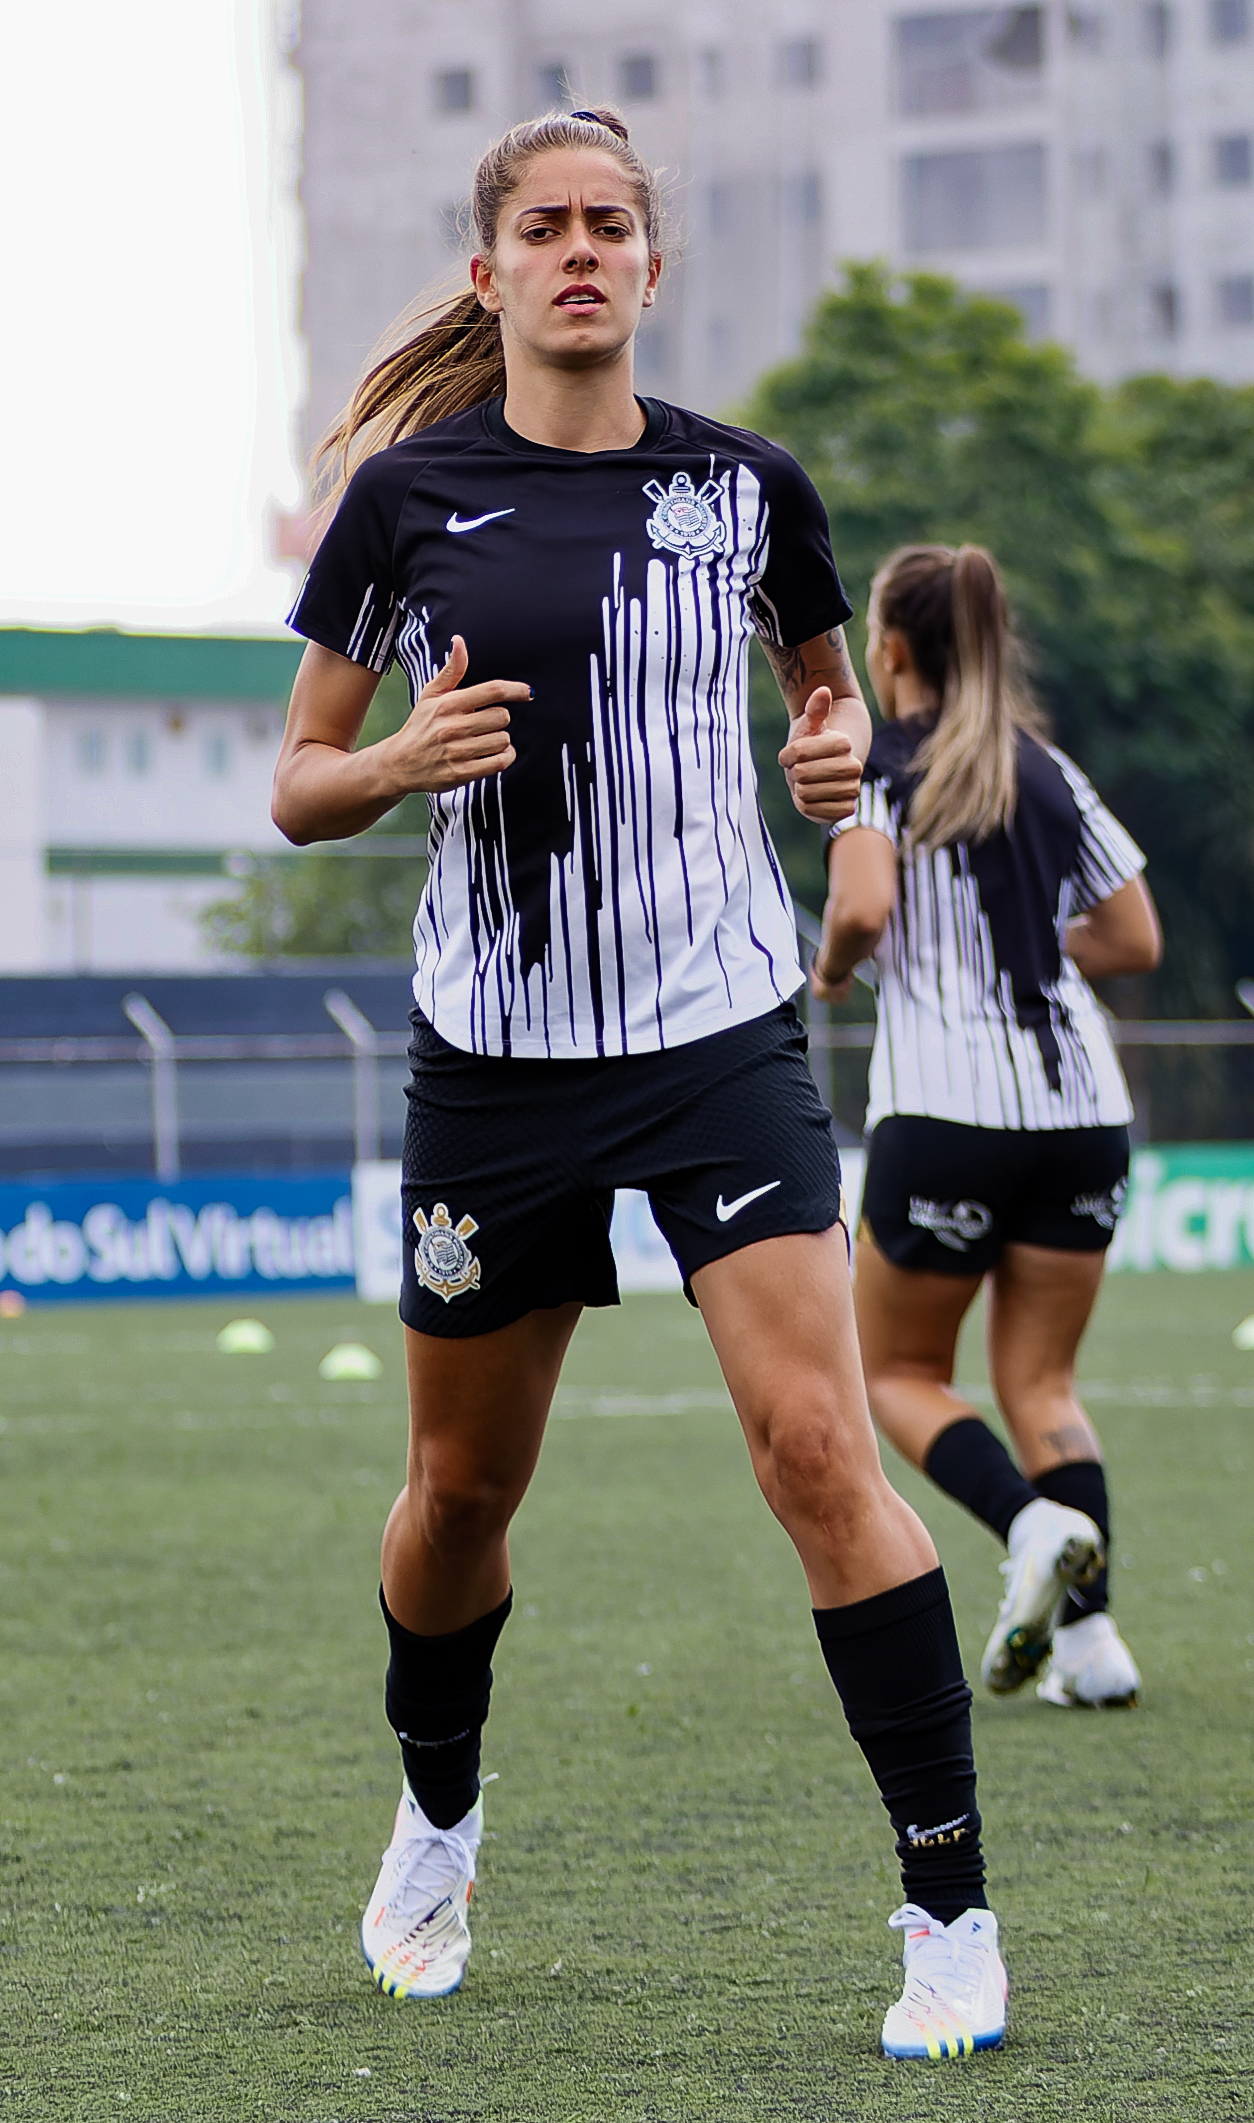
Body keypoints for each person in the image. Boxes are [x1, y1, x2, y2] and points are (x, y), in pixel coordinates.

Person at [274, 110, 1007, 2060]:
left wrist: (842, 805)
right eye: (546, 225)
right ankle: (439, 1804)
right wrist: (398, 760)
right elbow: (297, 783)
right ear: (493, 266)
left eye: (612, 223)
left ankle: (949, 1907)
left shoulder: (750, 486)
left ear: (650, 268)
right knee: (457, 1491)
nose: (582, 249)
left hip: (716, 1037)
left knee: (816, 1447)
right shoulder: (405, 502)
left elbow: (827, 704)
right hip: (495, 1061)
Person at [812, 542, 1161, 1715]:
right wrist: (1029, 950)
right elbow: (1134, 938)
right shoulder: (1049, 770)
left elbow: (862, 904)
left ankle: (1030, 1523)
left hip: (946, 1105)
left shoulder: (879, 763)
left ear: (894, 649)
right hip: (1083, 1108)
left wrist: (832, 970)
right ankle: (1094, 1642)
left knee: (895, 1371)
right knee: (1045, 1383)